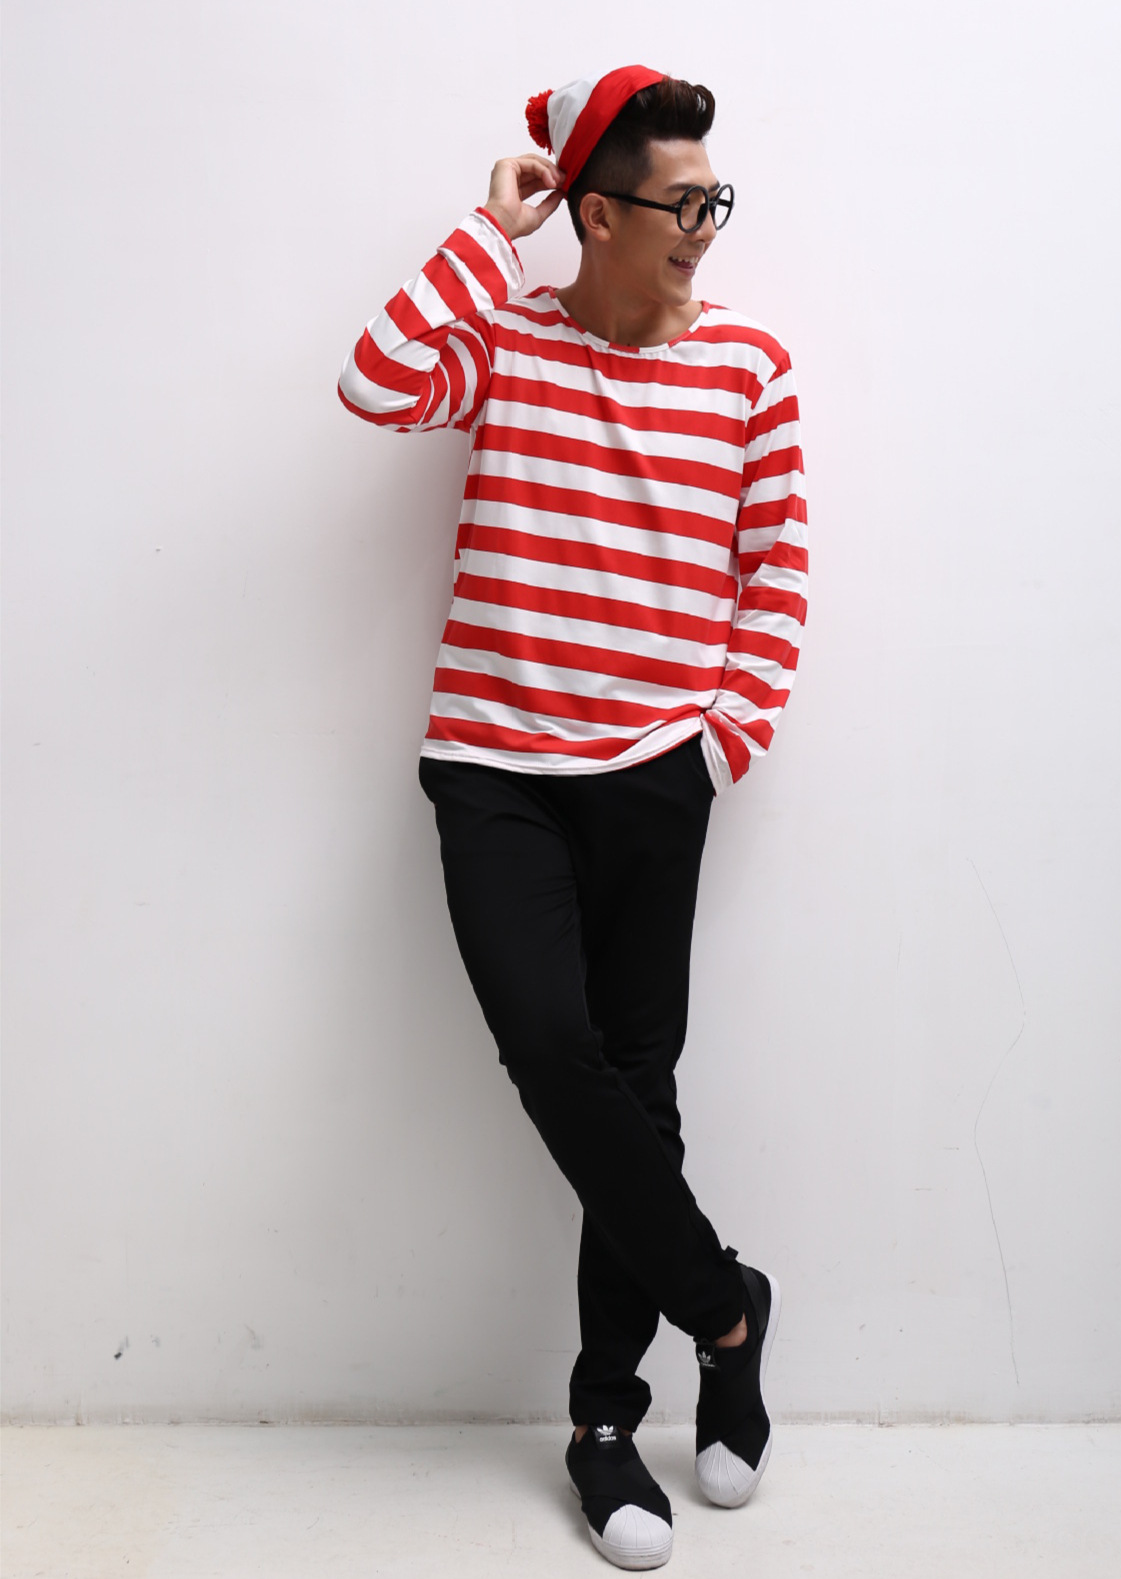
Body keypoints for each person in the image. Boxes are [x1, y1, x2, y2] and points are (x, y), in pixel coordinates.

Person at [338, 65, 807, 1571]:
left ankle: (605, 1421)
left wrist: (718, 744)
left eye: (716, 198)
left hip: (658, 771)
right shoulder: (507, 341)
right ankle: (728, 1311)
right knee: (555, 1053)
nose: (707, 227)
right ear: (596, 215)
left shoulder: (749, 366)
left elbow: (776, 572)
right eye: (681, 204)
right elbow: (373, 380)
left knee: (636, 1089)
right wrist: (491, 233)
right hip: (494, 770)